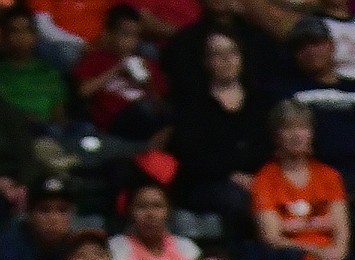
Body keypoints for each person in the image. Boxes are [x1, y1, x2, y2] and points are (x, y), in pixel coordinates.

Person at [275, 15, 355, 196]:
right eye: (301, 47)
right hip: (312, 177)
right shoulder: (284, 91)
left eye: (315, 43)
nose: (310, 51)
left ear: (331, 46)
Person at [168, 28, 269, 235]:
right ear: (206, 61)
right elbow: (191, 154)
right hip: (207, 183)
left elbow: (269, 146)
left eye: (232, 52)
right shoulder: (193, 105)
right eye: (217, 54)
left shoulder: (261, 103)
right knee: (237, 200)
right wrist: (232, 174)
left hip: (260, 179)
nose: (226, 60)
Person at [251, 99, 350, 260]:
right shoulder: (265, 179)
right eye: (288, 129)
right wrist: (316, 252)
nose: (297, 135)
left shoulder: (329, 176)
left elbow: (342, 233)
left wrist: (335, 256)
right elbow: (271, 237)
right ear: (276, 136)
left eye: (303, 128)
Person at [72, 4, 170, 143]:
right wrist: (117, 69)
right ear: (110, 34)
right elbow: (83, 91)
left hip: (147, 116)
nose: (131, 41)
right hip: (115, 119)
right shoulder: (96, 59)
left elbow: (160, 105)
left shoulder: (145, 63)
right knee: (144, 109)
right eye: (125, 35)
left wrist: (147, 84)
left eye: (135, 36)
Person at [108, 181, 200, 260]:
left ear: (168, 211)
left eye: (157, 206)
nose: (150, 214)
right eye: (142, 207)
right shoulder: (117, 247)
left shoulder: (186, 248)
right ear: (131, 212)